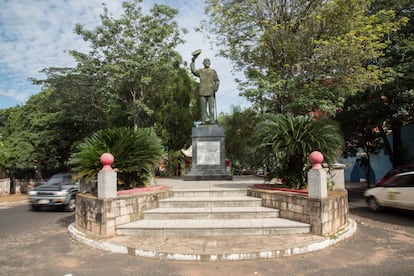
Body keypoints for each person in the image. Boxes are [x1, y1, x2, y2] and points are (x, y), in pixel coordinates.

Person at [190, 54, 220, 124]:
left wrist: (216, 87)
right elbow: (193, 71)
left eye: (208, 61)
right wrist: (193, 61)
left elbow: (217, 80)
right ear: (203, 63)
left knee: (211, 108)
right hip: (202, 91)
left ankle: (212, 120)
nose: (207, 63)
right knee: (203, 108)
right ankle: (203, 120)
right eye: (205, 62)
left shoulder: (213, 71)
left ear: (210, 63)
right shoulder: (201, 71)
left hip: (210, 91)